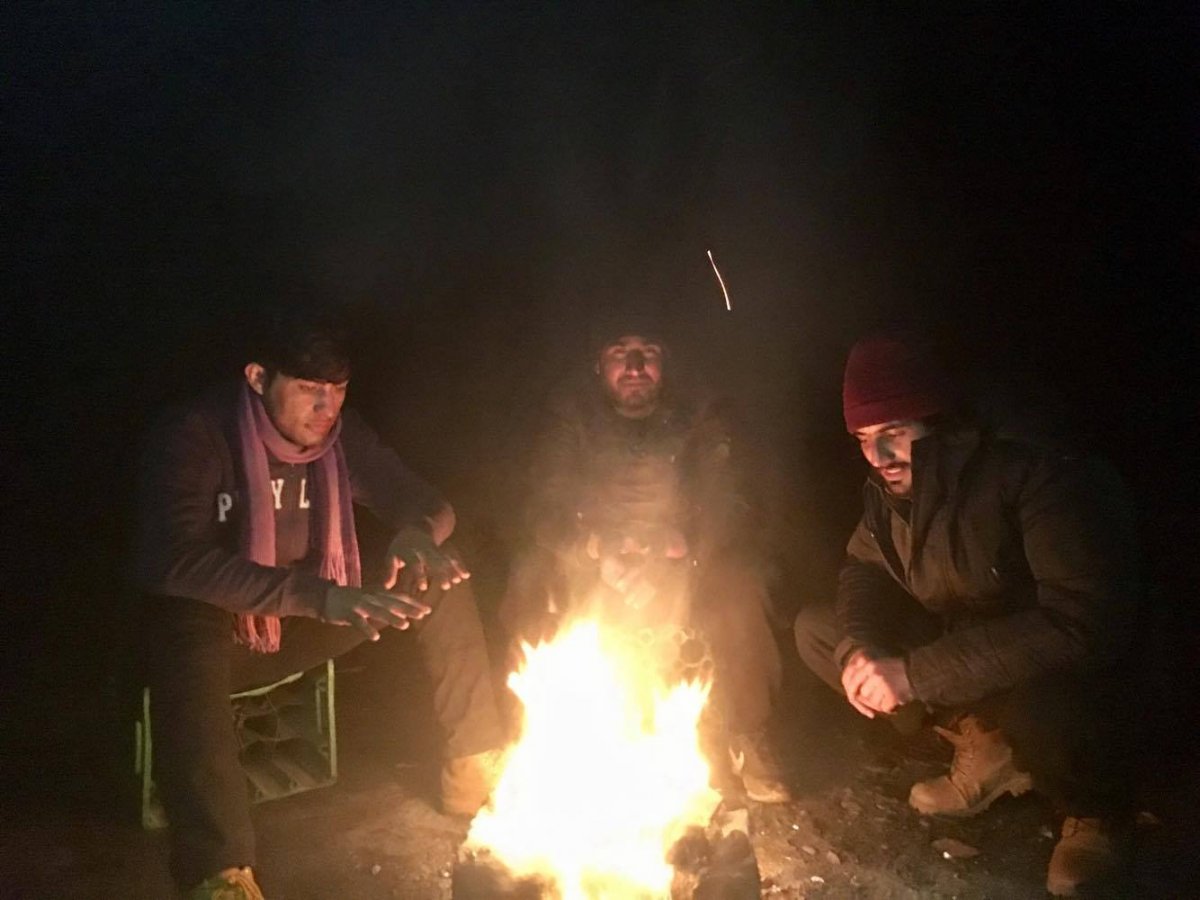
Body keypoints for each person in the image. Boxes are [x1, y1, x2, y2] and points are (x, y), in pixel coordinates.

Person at [134, 309, 504, 900]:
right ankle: (219, 869)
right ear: (258, 377)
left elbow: (428, 503)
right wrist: (319, 596)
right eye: (309, 390)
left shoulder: (342, 437)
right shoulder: (198, 432)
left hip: (310, 619)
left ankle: (473, 765)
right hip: (226, 641)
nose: (325, 408)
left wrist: (416, 531)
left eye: (336, 391)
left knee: (438, 574)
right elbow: (171, 561)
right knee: (186, 618)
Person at [794, 329, 1140, 897]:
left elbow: (1083, 620)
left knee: (1046, 709)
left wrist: (915, 674)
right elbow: (864, 568)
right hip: (968, 643)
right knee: (820, 631)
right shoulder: (890, 489)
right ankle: (985, 742)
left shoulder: (1036, 467)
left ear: (937, 421)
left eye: (894, 433)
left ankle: (1098, 811)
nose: (878, 457)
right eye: (863, 437)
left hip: (1061, 660)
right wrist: (862, 645)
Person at [499, 315, 791, 803]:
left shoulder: (700, 412)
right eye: (619, 351)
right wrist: (593, 549)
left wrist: (685, 546)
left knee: (744, 582)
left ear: (665, 361)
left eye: (648, 351)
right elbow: (542, 505)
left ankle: (749, 733)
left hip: (683, 560)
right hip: (593, 561)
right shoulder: (570, 415)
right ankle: (529, 737)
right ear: (599, 364)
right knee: (528, 574)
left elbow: (732, 500)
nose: (634, 365)